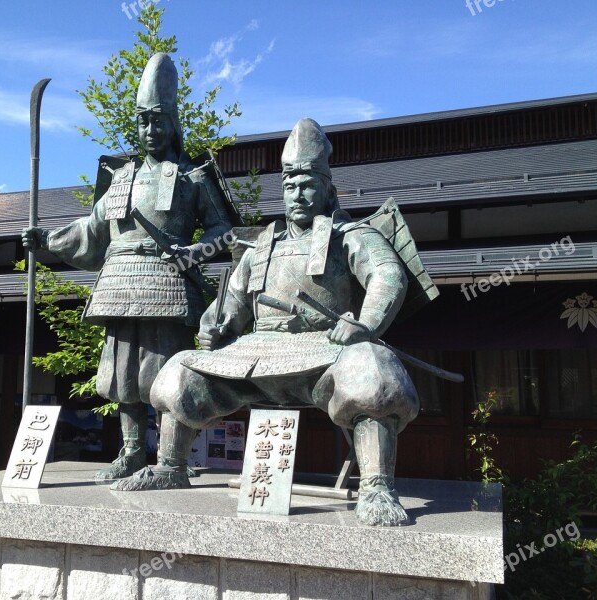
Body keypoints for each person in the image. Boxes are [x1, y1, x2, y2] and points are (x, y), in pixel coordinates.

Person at [112, 118, 420, 527]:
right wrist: (214, 326)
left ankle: (377, 486)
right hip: (257, 354)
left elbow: (387, 275)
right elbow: (232, 302)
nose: (298, 194)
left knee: (372, 369)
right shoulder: (263, 244)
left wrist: (365, 325)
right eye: (290, 185)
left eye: (308, 184)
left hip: (324, 351)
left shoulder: (351, 235)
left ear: (327, 188)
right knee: (180, 368)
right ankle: (171, 467)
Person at [23, 53, 234, 480]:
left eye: (157, 120)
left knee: (165, 372)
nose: (150, 130)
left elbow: (225, 232)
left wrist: (192, 254)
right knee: (123, 375)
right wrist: (46, 239)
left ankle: (170, 460)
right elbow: (92, 228)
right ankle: (132, 450)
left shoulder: (193, 176)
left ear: (172, 123)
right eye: (142, 121)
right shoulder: (121, 178)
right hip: (119, 283)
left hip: (166, 283)